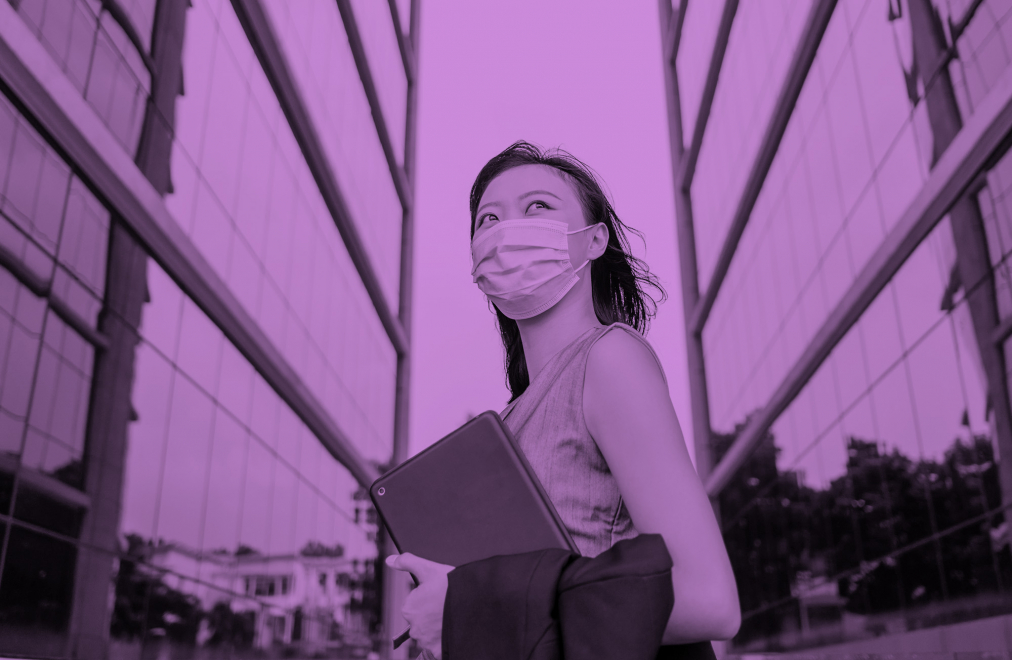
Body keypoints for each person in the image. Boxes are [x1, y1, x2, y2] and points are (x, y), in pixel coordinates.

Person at [387, 141, 741, 657]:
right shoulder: (504, 423)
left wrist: (468, 607)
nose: (507, 230)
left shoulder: (608, 360)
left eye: (538, 207)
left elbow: (710, 600)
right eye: (488, 218)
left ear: (594, 240)